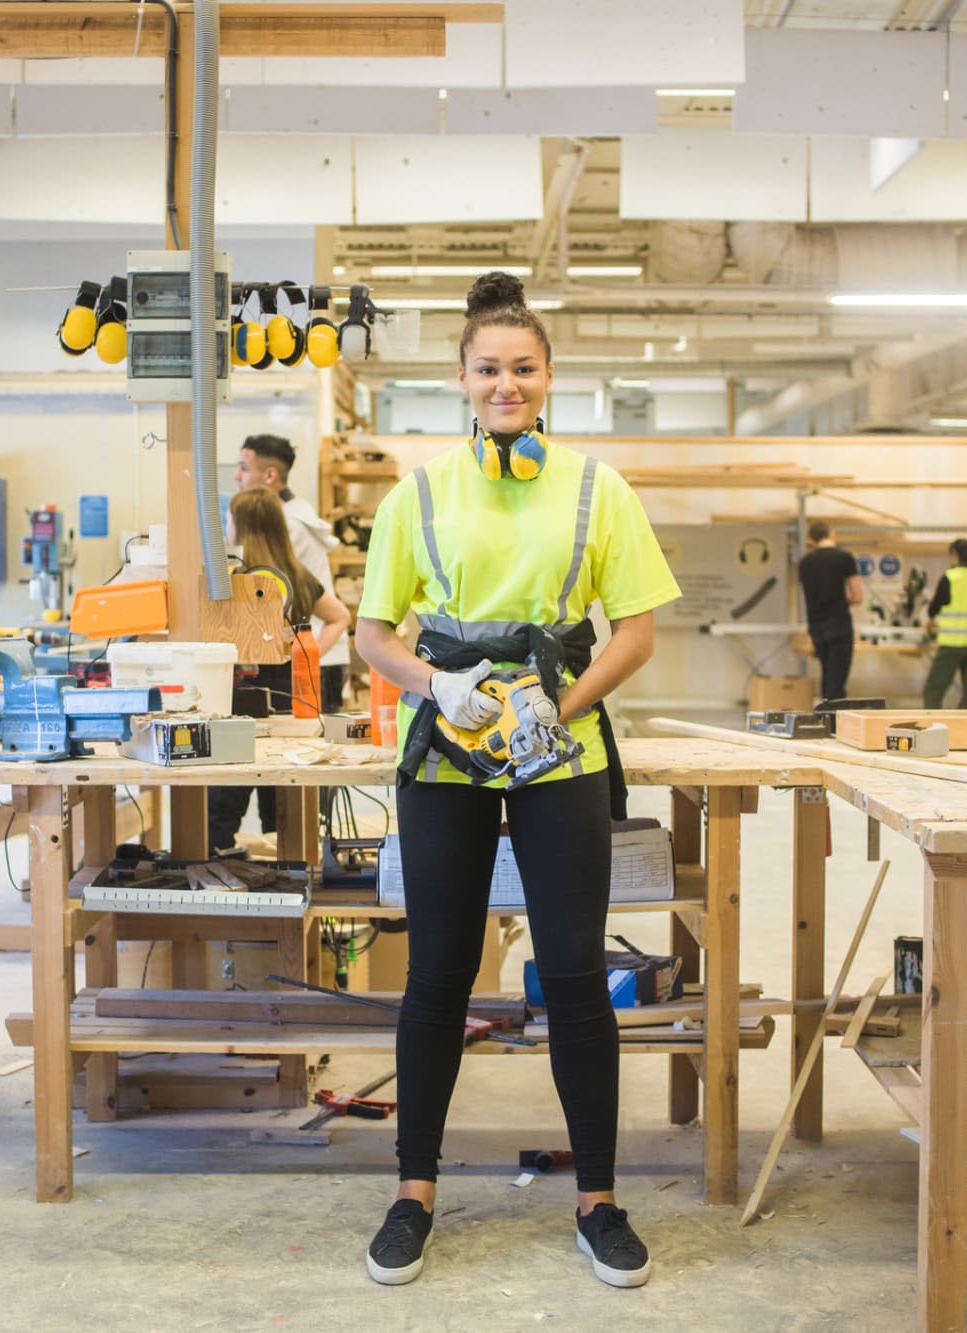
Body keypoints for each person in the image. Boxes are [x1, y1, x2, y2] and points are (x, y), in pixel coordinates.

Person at [352, 271, 679, 1289]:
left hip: (554, 745)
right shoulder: (416, 492)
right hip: (444, 747)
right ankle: (413, 1192)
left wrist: (565, 704)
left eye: (523, 368)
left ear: (547, 378)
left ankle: (598, 1200)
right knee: (438, 973)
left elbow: (636, 629)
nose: (506, 383)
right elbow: (371, 632)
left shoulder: (595, 487)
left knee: (574, 971)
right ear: (459, 377)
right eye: (487, 368)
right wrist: (432, 686)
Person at [205, 487, 350, 857]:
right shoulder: (295, 575)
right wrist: (306, 653)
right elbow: (340, 617)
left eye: (229, 519)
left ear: (241, 526)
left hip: (238, 711)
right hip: (291, 709)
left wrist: (305, 652)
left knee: (222, 806)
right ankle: (286, 878)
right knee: (285, 810)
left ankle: (218, 870)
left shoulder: (232, 578)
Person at [234, 434, 349, 713]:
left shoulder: (290, 527)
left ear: (270, 474)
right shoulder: (295, 515)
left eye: (244, 468)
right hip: (305, 657)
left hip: (308, 659)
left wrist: (307, 657)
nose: (237, 476)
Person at [797, 521, 864, 703]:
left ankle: (826, 718)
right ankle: (833, 724)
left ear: (812, 538)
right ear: (831, 534)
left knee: (827, 675)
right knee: (836, 682)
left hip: (816, 627)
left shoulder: (805, 563)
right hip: (839, 624)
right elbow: (857, 596)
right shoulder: (844, 558)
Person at [923, 538, 967, 709]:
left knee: (933, 690)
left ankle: (933, 728)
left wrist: (929, 622)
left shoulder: (950, 578)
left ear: (954, 554)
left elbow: (933, 609)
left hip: (953, 643)